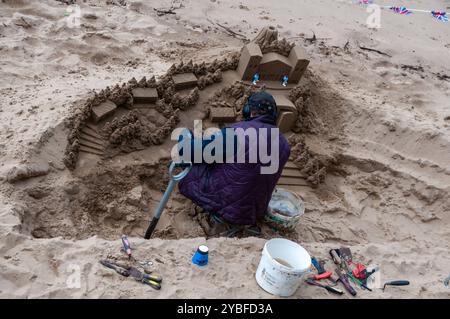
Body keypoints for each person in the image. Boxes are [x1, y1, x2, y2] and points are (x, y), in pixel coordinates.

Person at [177, 92, 291, 236]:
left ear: (248, 110)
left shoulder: (238, 132)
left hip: (224, 204)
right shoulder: (285, 145)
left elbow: (193, 153)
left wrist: (185, 138)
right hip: (254, 211)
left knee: (188, 148)